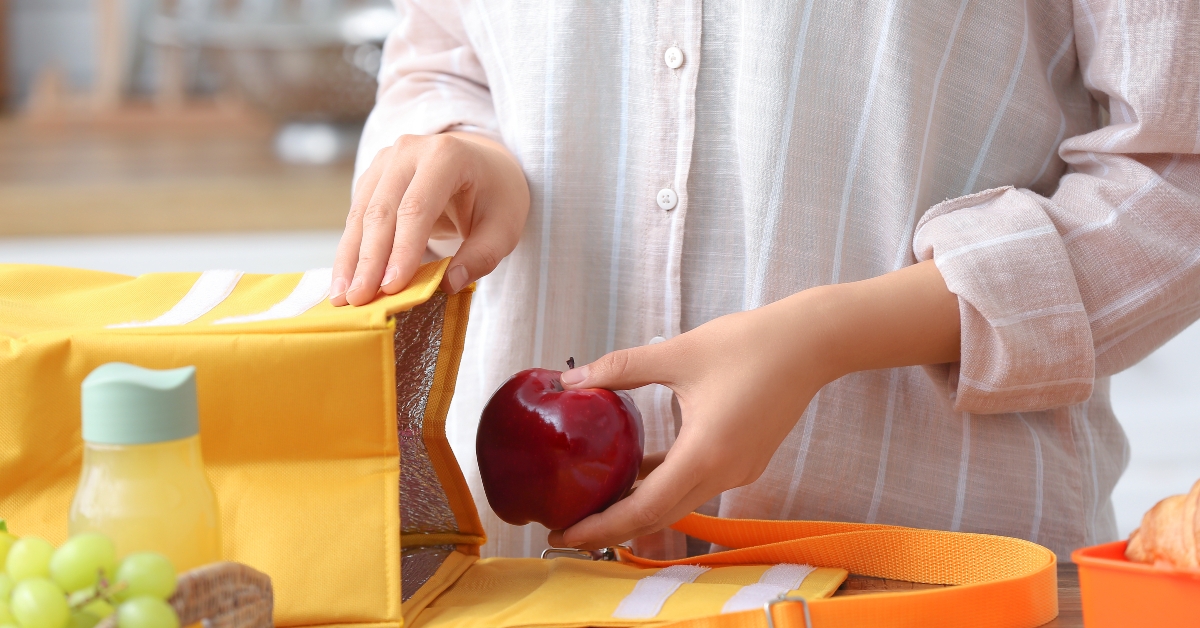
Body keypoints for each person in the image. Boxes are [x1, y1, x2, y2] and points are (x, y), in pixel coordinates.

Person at [331, 0, 1200, 560]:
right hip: (527, 590)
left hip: (915, 573)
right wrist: (473, 152)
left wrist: (830, 337)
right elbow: (441, 57)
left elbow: (1177, 175)